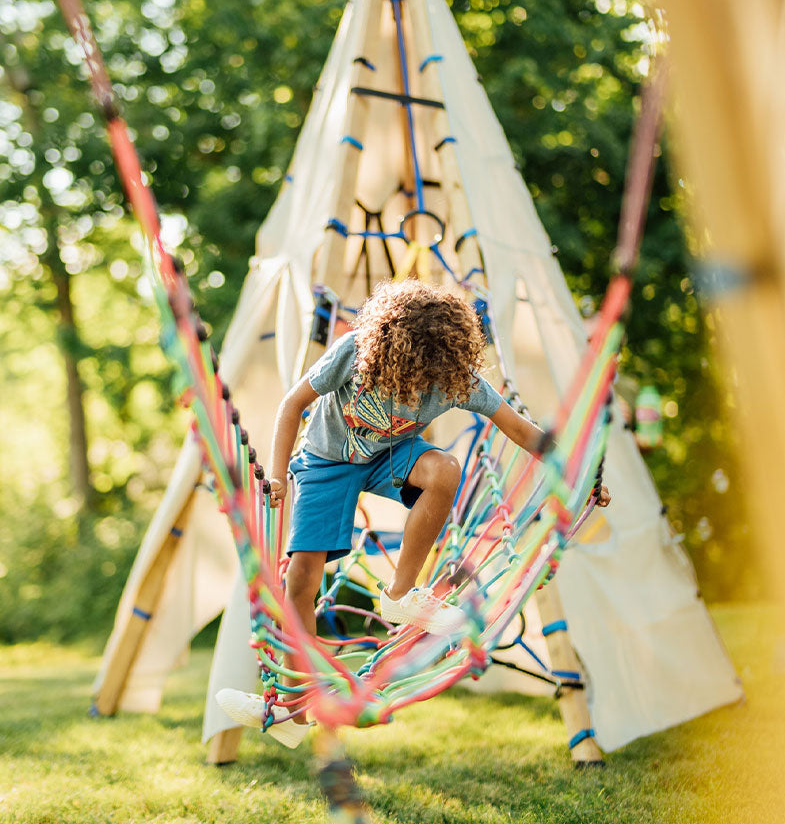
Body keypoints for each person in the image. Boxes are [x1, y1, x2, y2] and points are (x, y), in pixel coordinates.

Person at [217, 278, 609, 746]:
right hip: (325, 459)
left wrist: (583, 471)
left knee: (444, 469)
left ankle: (401, 596)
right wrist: (278, 474)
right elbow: (292, 405)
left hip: (390, 456)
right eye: (409, 373)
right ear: (386, 351)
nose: (418, 387)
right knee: (302, 578)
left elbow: (523, 432)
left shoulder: (457, 380)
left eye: (431, 379)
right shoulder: (354, 352)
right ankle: (289, 714)